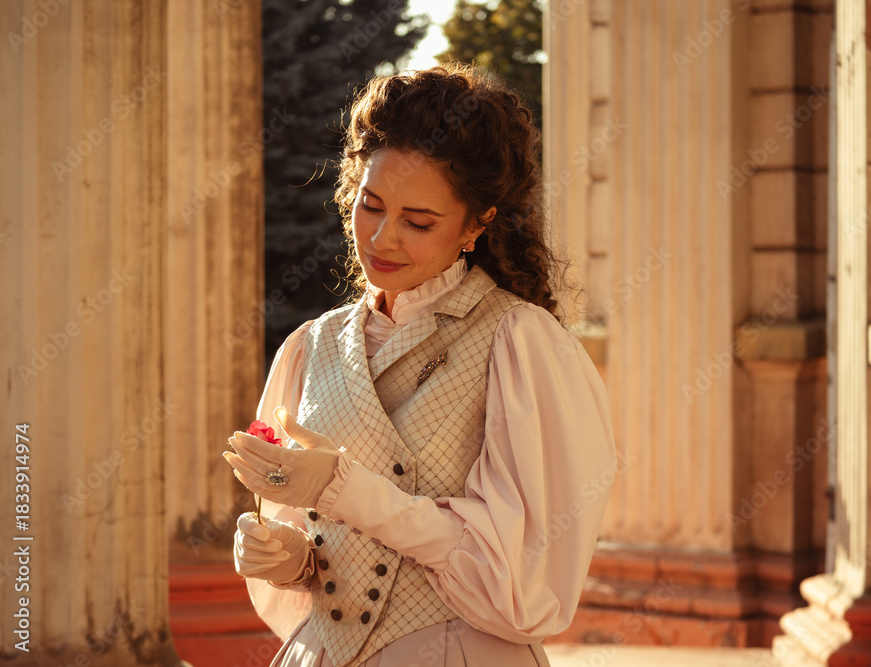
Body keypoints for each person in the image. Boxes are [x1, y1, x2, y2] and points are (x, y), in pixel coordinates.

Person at [223, 63, 616, 667]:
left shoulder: (520, 343)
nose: (383, 238)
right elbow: (316, 540)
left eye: (418, 221)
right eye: (371, 205)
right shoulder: (310, 346)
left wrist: (343, 488)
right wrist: (289, 556)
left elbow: (518, 582)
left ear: (477, 223)